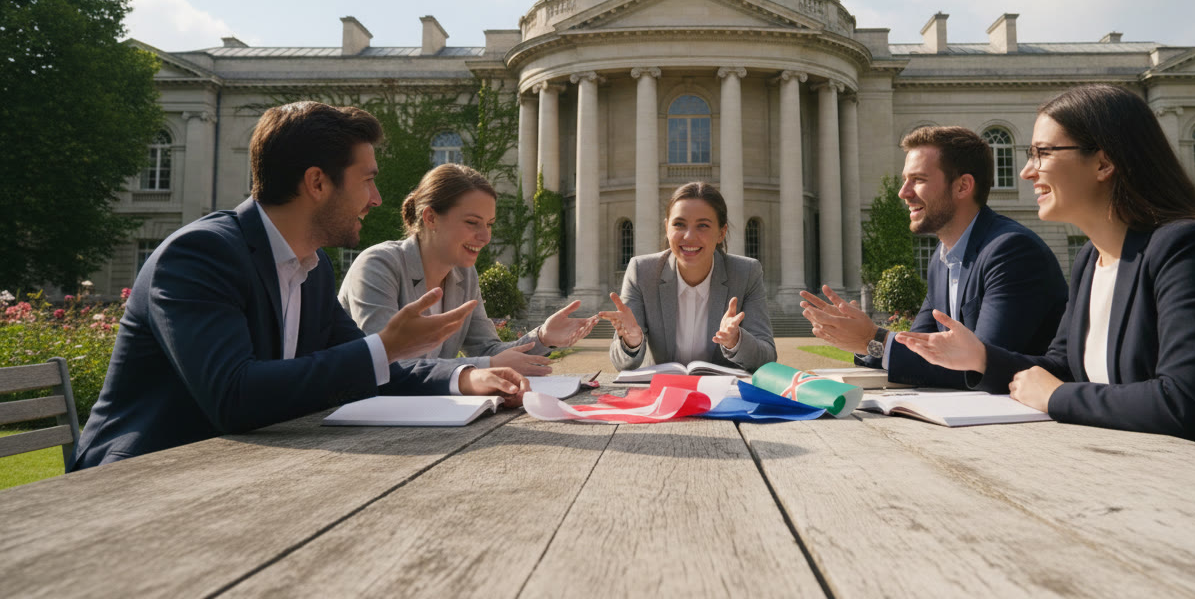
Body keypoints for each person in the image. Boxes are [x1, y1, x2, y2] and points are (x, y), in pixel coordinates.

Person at [74, 102, 528, 469]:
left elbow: (368, 368)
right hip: (139, 477)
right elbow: (234, 395)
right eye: (367, 180)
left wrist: (467, 375)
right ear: (316, 182)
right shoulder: (200, 254)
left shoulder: (312, 267)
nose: (378, 199)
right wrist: (385, 347)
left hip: (242, 469)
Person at [896, 85, 1195, 465]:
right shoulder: (1093, 257)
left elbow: (1185, 403)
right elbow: (1064, 365)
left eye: (1041, 153)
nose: (1026, 172)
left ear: (1104, 162)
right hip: (1153, 476)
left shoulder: (1187, 247)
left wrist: (1057, 398)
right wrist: (982, 358)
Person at [800, 126, 1067, 388]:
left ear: (963, 186)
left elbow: (981, 367)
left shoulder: (1011, 251)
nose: (903, 192)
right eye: (905, 179)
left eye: (918, 180)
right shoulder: (941, 259)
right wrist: (863, 340)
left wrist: (872, 337)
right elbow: (919, 347)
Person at [339, 163, 597, 376]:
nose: (485, 236)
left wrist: (543, 337)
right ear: (430, 218)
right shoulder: (377, 265)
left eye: (490, 224)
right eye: (472, 222)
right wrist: (488, 368)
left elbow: (488, 351)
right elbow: (388, 365)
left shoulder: (464, 275)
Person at [602, 182, 775, 371]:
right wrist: (632, 342)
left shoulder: (747, 273)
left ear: (721, 233)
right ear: (667, 228)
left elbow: (767, 358)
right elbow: (621, 363)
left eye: (702, 225)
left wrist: (736, 341)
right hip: (661, 392)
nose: (689, 237)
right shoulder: (641, 271)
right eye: (679, 225)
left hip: (721, 394)